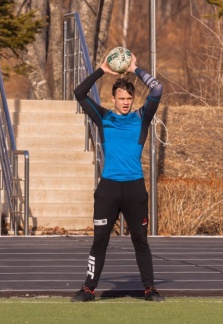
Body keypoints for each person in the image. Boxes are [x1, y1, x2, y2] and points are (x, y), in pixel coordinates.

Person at [71, 51, 165, 302]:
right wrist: (102, 70)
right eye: (121, 98)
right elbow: (79, 93)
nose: (125, 102)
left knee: (140, 241)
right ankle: (88, 289)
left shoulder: (141, 117)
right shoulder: (104, 117)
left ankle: (150, 289)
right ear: (113, 99)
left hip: (134, 188)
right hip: (109, 189)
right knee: (100, 241)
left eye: (129, 98)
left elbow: (157, 89)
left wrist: (135, 70)